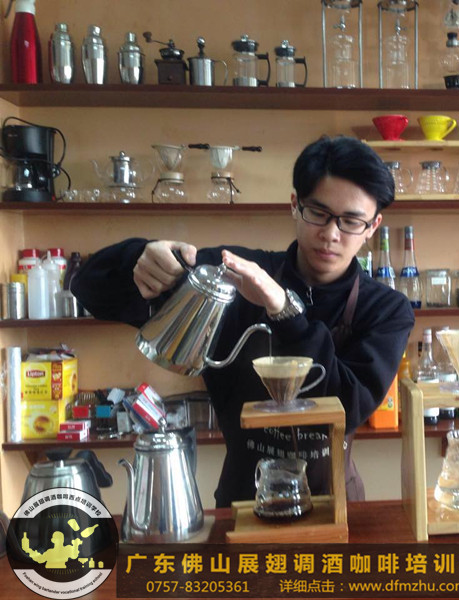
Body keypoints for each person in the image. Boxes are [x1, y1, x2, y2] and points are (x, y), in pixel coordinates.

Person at [72, 136, 415, 507]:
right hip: (243, 505)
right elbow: (89, 288)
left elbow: (347, 407)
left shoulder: (386, 310)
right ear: (295, 205)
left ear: (372, 226)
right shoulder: (235, 276)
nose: (331, 234)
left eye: (351, 221)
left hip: (334, 507)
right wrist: (141, 257)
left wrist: (283, 309)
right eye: (318, 212)